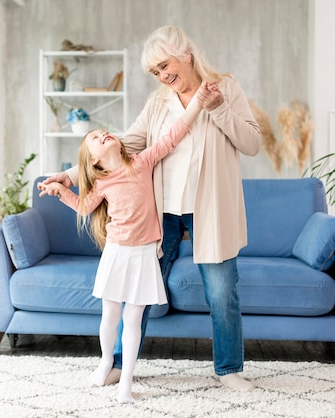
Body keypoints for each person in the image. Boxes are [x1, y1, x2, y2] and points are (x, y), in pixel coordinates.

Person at [40, 25, 262, 392]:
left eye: (164, 65)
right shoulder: (159, 102)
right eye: (155, 72)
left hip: (209, 208)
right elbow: (123, 145)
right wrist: (68, 175)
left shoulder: (225, 88)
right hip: (158, 212)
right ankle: (114, 366)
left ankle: (229, 369)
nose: (162, 76)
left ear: (185, 54)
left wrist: (218, 107)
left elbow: (251, 143)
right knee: (134, 292)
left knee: (222, 291)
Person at [38, 87, 205, 403]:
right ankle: (106, 363)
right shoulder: (102, 182)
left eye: (102, 132)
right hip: (116, 253)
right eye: (96, 140)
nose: (103, 135)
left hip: (144, 255)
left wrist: (196, 104)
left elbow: (171, 137)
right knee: (110, 316)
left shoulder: (142, 162)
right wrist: (60, 190)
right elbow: (85, 208)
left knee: (133, 320)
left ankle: (126, 382)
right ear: (95, 160)